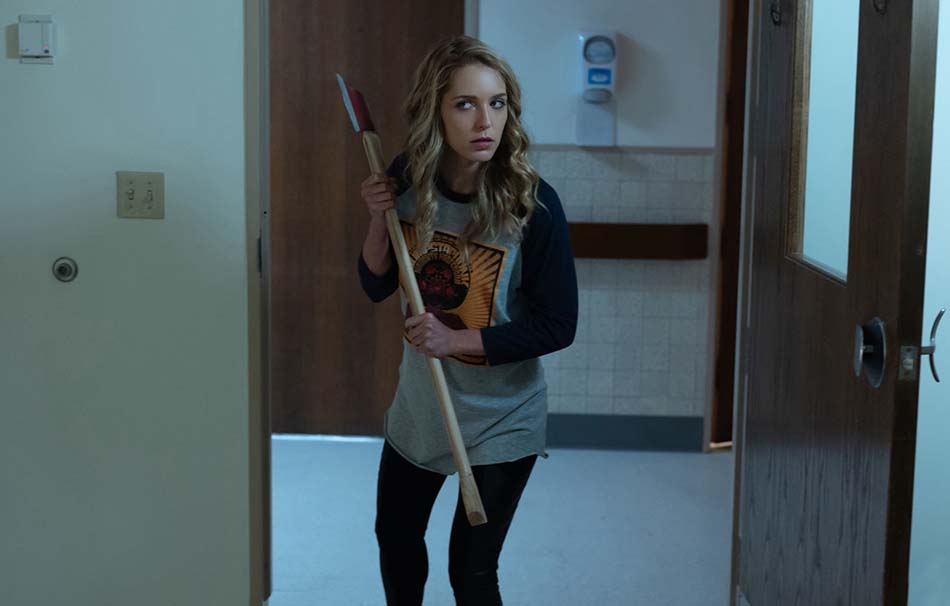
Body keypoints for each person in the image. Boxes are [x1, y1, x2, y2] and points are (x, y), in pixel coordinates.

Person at [356, 35, 578, 606]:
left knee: (471, 572)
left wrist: (455, 339)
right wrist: (380, 218)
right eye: (465, 104)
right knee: (396, 540)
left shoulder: (534, 205)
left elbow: (558, 325)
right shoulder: (407, 179)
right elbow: (376, 283)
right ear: (435, 112)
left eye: (497, 103)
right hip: (422, 407)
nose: (486, 121)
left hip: (503, 417)